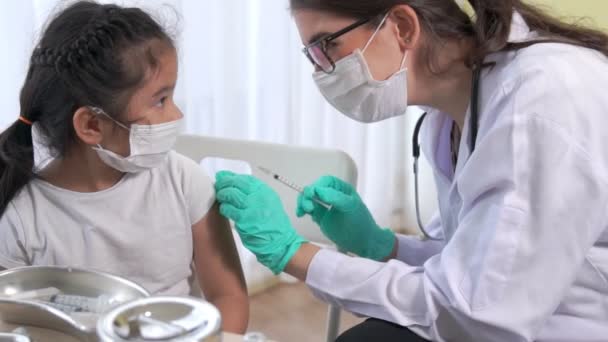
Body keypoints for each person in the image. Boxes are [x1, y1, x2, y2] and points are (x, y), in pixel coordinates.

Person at [214, 0, 608, 340]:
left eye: (326, 46)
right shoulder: (447, 117)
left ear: (402, 26)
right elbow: (470, 261)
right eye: (313, 56)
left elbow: (476, 313)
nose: (321, 71)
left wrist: (296, 255)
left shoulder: (542, 100)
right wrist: (385, 246)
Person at [0, 1, 248, 333]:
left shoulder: (185, 182)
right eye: (160, 100)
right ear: (91, 125)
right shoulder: (20, 217)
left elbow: (228, 296)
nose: (175, 116)